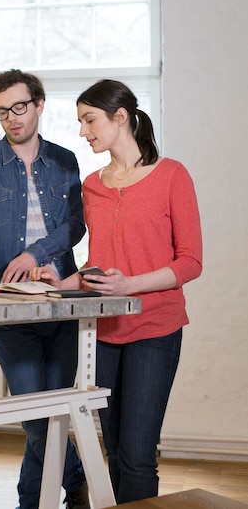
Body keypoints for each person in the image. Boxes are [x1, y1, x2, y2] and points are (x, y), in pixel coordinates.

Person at [30, 79, 203, 504]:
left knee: (139, 455)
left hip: (155, 329)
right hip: (103, 332)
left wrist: (131, 286)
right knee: (113, 451)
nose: (83, 131)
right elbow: (100, 266)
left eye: (90, 120)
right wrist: (64, 282)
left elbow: (190, 262)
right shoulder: (92, 184)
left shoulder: (171, 176)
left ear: (120, 117)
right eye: (80, 122)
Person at [0, 69, 90, 509]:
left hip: (61, 301)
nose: (12, 118)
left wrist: (35, 254)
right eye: (1, 111)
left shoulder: (67, 161)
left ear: (39, 105)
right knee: (35, 414)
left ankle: (31, 503)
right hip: (10, 308)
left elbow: (75, 225)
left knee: (54, 412)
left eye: (19, 107)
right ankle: (80, 478)